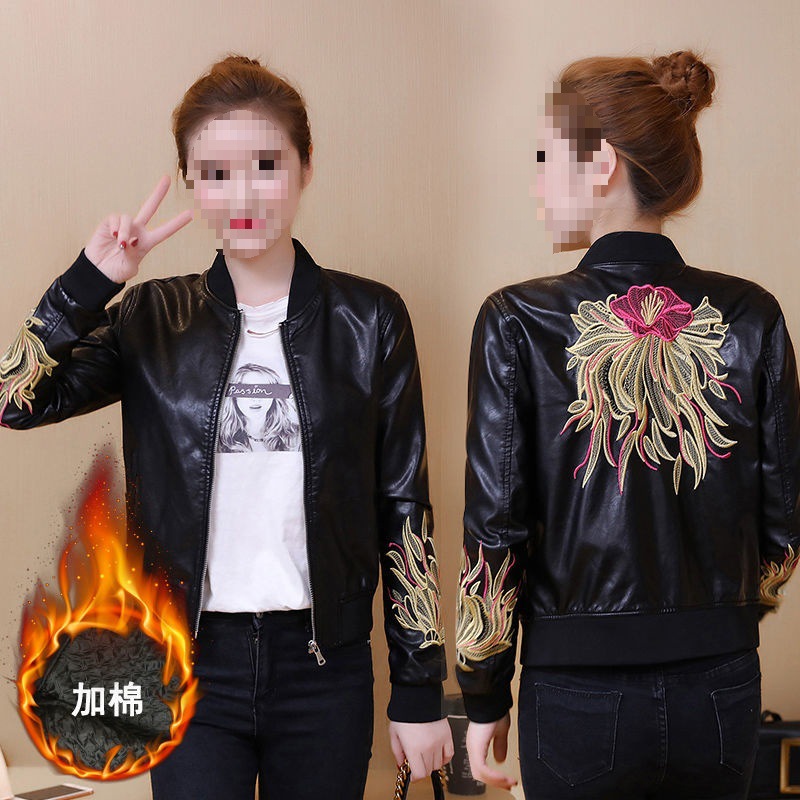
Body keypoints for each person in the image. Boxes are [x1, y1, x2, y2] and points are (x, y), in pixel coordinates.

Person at [0, 54, 452, 799]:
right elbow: (15, 400)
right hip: (184, 660)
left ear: (306, 167)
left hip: (324, 665)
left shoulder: (370, 318)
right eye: (215, 173)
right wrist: (87, 283)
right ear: (189, 180)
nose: (242, 194)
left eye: (266, 164)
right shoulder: (150, 316)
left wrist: (418, 687)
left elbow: (404, 509)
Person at [456, 51, 800, 799]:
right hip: (722, 686)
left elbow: (495, 530)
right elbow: (783, 532)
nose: (536, 183)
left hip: (579, 689)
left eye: (545, 158)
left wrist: (483, 692)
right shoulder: (753, 314)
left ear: (601, 163)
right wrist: (717, 617)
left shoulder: (517, 319)